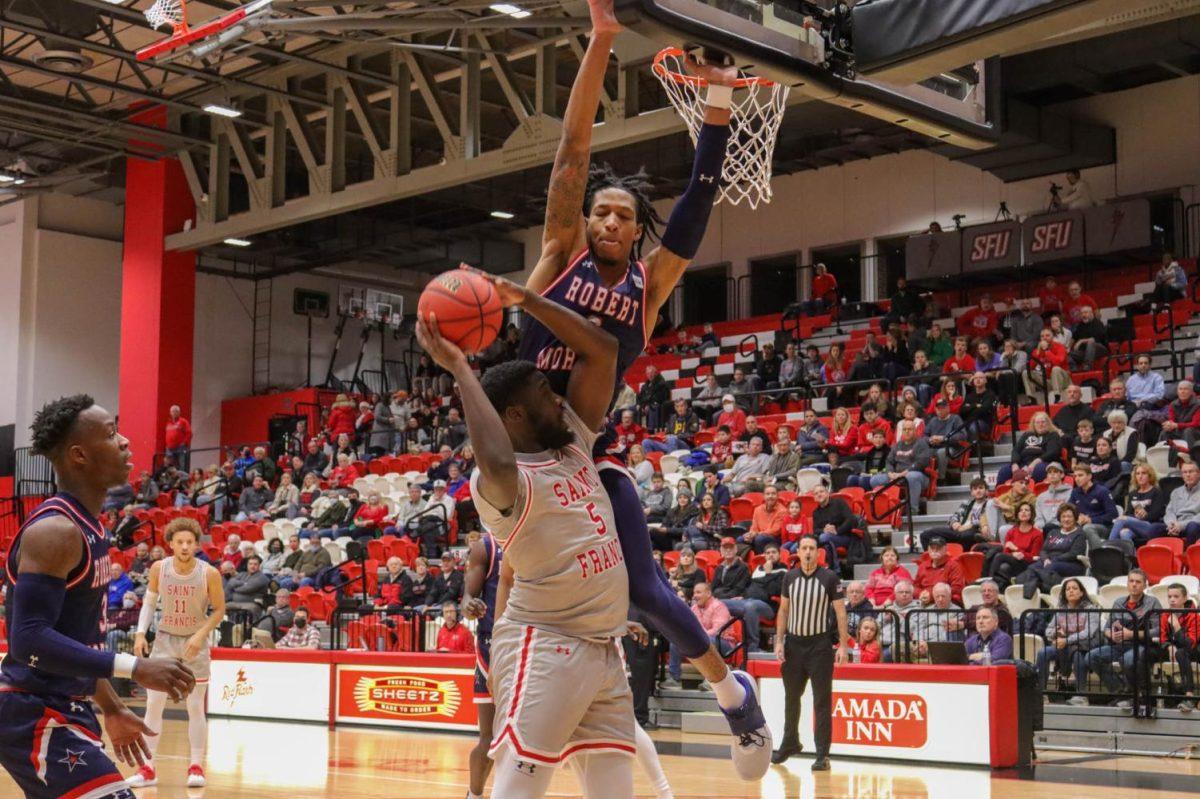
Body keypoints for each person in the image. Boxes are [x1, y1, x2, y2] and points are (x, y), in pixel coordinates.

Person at [511, 4, 770, 774]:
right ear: (585, 220)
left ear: (635, 229)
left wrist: (719, 103)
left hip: (586, 454)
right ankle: (516, 748)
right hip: (517, 452)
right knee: (508, 611)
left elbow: (695, 206)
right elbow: (572, 149)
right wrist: (600, 40)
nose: (611, 219)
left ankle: (738, 701)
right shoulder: (560, 253)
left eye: (624, 214)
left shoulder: (649, 289)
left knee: (644, 594)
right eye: (601, 210)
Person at [0, 395, 195, 799]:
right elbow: (28, 639)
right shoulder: (56, 531)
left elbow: (78, 636)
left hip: (67, 705)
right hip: (32, 709)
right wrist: (134, 667)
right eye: (110, 434)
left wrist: (109, 705)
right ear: (79, 455)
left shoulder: (91, 527)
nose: (125, 441)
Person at [127, 518, 224, 788]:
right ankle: (148, 769)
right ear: (170, 544)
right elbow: (148, 602)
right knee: (153, 705)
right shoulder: (159, 568)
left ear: (196, 545)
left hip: (194, 643)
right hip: (165, 640)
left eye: (189, 542)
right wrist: (139, 633)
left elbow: (219, 610)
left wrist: (200, 636)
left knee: (195, 707)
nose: (184, 546)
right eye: (179, 542)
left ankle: (196, 766)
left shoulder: (209, 573)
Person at [770, 536, 850, 770]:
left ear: (818, 553)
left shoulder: (829, 577)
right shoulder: (789, 577)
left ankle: (822, 754)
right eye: (803, 548)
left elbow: (841, 613)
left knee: (821, 702)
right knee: (791, 698)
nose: (807, 552)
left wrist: (843, 646)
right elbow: (783, 611)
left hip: (820, 647)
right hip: (794, 645)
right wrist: (779, 641)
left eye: (811, 548)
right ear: (798, 552)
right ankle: (790, 742)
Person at [1074, 569, 1161, 709]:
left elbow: (1158, 630)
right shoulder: (1119, 602)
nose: (1134, 585)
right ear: (1127, 584)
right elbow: (1107, 628)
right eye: (1131, 581)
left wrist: (1131, 634)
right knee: (1091, 657)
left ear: (1145, 585)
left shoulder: (1152, 602)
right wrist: (1111, 634)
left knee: (1127, 659)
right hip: (1118, 645)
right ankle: (1121, 691)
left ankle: (1139, 695)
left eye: (1138, 582)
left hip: (1142, 645)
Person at [460, 532, 502, 799]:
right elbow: (466, 599)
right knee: (488, 737)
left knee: (517, 737)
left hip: (530, 643)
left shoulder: (539, 535)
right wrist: (469, 606)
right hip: (491, 645)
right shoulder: (486, 546)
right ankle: (473, 795)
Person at [664, 582, 739, 685]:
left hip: (724, 643)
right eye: (694, 593)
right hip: (703, 639)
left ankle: (711, 681)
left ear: (708, 594)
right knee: (676, 641)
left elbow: (717, 630)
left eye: (698, 592)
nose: (695, 595)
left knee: (708, 641)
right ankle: (674, 678)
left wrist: (697, 637)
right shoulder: (694, 608)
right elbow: (689, 628)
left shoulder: (718, 606)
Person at [1019, 504, 1088, 599]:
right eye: (1063, 516)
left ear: (1075, 518)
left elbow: (1074, 553)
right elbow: (1043, 550)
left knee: (1049, 567)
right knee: (1032, 567)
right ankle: (1031, 596)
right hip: (1049, 561)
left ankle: (1050, 593)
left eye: (1069, 516)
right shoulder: (1053, 532)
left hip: (1071, 563)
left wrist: (1053, 560)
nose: (1066, 519)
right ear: (1059, 518)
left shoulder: (1079, 534)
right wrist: (1045, 559)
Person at [1158, 583, 1200, 712]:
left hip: (1194, 650)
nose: (1172, 599)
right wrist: (1168, 646)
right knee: (1147, 652)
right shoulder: (1165, 615)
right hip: (1175, 650)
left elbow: (1190, 644)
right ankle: (1142, 696)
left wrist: (1177, 627)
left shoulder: (1194, 615)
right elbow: (1162, 637)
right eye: (1169, 596)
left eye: (1176, 596)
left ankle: (1189, 696)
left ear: (1185, 598)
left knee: (1181, 653)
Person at [986, 501, 1043, 589]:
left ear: (1031, 514)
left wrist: (1016, 549)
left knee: (998, 556)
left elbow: (1034, 557)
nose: (1023, 512)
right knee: (1004, 567)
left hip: (1026, 564)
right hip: (1012, 561)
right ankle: (999, 588)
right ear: (1017, 514)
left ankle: (989, 584)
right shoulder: (1011, 532)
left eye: (1027, 510)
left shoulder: (1037, 534)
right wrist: (1013, 554)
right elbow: (1006, 552)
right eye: (1020, 510)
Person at [1069, 464, 1119, 550]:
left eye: (1080, 475)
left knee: (1088, 527)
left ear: (1089, 476)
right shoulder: (1075, 492)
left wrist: (1091, 520)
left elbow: (1113, 514)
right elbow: (1069, 510)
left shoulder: (1102, 491)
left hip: (1103, 527)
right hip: (1082, 525)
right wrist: (1078, 518)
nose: (1077, 478)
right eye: (1075, 476)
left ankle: (1100, 556)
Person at [913, 537, 965, 605]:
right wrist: (920, 594)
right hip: (924, 601)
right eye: (932, 548)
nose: (935, 550)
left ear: (945, 549)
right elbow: (915, 586)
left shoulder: (954, 565)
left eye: (938, 548)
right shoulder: (923, 566)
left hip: (946, 603)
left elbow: (956, 588)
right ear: (928, 549)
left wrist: (932, 595)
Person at [164, 404, 192, 470]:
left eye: (176, 411)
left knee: (182, 465)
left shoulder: (183, 421)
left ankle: (182, 479)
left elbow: (189, 433)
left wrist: (184, 443)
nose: (174, 413)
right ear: (170, 413)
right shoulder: (169, 423)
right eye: (172, 411)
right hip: (169, 448)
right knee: (169, 466)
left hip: (180, 448)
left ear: (179, 412)